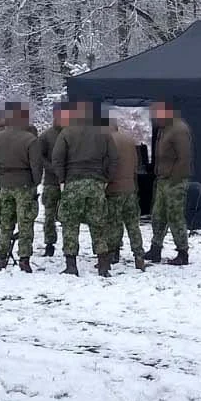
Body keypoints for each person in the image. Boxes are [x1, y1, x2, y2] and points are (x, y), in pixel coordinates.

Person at [51, 101, 118, 276]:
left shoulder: (67, 132)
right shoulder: (104, 132)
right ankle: (103, 264)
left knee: (70, 224)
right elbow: (114, 158)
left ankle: (71, 265)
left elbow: (57, 158)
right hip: (96, 183)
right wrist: (106, 179)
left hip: (73, 183)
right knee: (98, 223)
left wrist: (62, 179)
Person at [0, 102, 44, 271]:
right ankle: (24, 259)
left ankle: (1, 258)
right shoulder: (30, 139)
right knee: (25, 224)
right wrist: (34, 182)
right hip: (25, 184)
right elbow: (37, 166)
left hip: (4, 184)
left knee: (5, 223)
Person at [146, 101, 192, 265]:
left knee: (175, 216)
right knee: (158, 216)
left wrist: (174, 180)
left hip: (174, 181)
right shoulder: (165, 129)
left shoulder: (179, 130)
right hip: (163, 179)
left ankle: (182, 252)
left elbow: (184, 158)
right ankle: (155, 248)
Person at [102, 117, 147, 271]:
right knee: (133, 225)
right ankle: (139, 257)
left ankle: (110, 255)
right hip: (130, 188)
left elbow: (106, 166)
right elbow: (136, 164)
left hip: (114, 189)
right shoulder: (129, 140)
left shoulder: (107, 140)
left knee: (113, 224)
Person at [36, 105, 68, 257]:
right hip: (51, 182)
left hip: (68, 182)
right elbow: (38, 157)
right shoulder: (46, 136)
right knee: (49, 215)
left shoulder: (71, 134)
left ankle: (69, 246)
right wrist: (52, 168)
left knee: (68, 215)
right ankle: (49, 243)